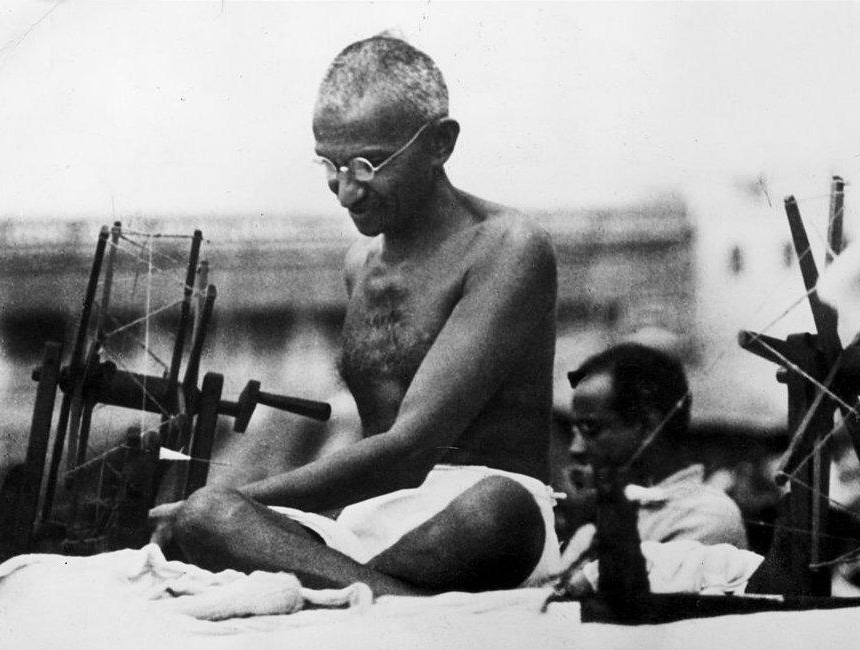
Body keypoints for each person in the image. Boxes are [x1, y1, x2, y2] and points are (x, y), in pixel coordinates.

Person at [149, 35, 561, 596]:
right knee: (202, 520)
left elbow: (411, 447)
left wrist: (249, 498)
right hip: (366, 526)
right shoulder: (359, 265)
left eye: (368, 164)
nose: (346, 192)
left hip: (473, 521)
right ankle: (386, 596)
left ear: (440, 143)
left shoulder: (508, 247)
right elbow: (377, 452)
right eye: (331, 164)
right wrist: (225, 511)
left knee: (497, 509)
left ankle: (346, 590)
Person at [564, 342, 748, 548]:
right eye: (574, 432)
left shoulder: (703, 517)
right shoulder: (608, 514)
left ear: (648, 427)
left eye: (591, 429)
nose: (575, 449)